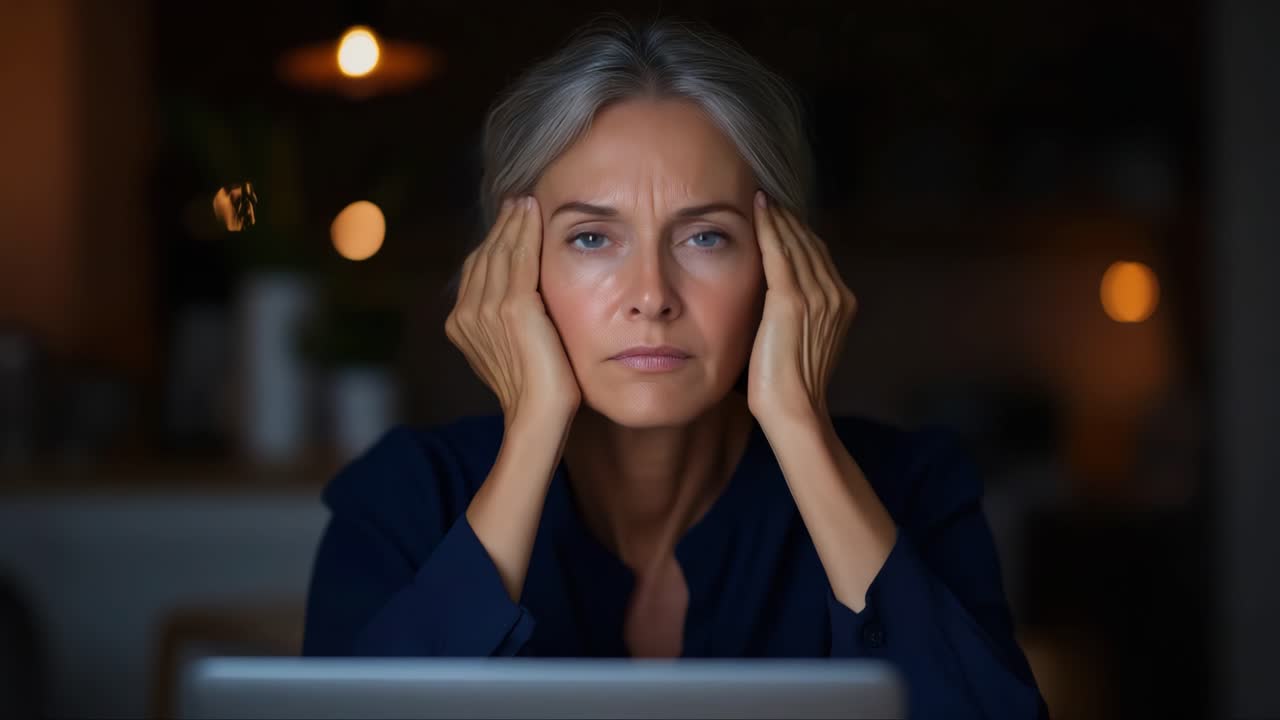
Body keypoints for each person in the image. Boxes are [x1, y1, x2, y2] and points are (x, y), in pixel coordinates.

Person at [302, 13, 1048, 719]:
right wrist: (531, 433)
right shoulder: (403, 498)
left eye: (706, 238)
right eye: (593, 238)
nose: (653, 297)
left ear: (781, 265)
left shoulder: (914, 488)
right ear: (514, 267)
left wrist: (800, 428)